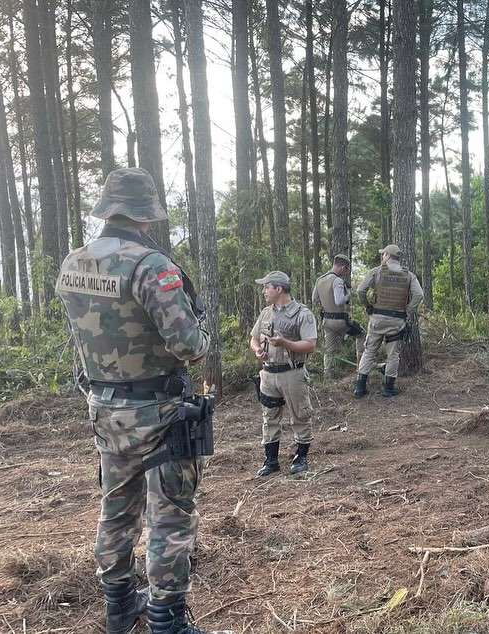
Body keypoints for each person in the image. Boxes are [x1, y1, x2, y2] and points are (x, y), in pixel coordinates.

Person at [55, 167, 232, 634]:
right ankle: (166, 621)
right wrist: (204, 329)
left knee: (116, 509)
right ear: (147, 216)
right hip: (159, 413)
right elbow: (190, 347)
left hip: (106, 411)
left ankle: (119, 608)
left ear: (108, 210)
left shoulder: (74, 262)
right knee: (171, 517)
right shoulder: (151, 266)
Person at [250, 271, 318, 476]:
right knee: (269, 416)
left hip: (292, 374)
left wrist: (285, 343)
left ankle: (301, 458)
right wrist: (258, 350)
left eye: (266, 287)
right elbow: (253, 338)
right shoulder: (265, 313)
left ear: (278, 289)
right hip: (268, 374)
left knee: (300, 414)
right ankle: (271, 461)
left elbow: (311, 345)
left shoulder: (302, 314)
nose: (264, 291)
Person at [353, 244, 424, 398]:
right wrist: (408, 310)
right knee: (393, 355)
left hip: (377, 319)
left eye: (383, 254)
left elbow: (360, 290)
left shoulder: (377, 271)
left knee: (369, 351)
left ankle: (360, 387)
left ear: (388, 256)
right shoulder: (409, 275)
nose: (382, 257)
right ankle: (389, 388)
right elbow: (419, 295)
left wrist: (367, 306)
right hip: (397, 321)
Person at [312, 254, 366, 377]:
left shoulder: (320, 279)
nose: (345, 272)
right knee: (361, 334)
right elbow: (339, 300)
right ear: (341, 266)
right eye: (346, 269)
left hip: (326, 320)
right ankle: (361, 367)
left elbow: (314, 298)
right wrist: (348, 296)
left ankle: (328, 374)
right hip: (340, 321)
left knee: (329, 349)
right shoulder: (337, 280)